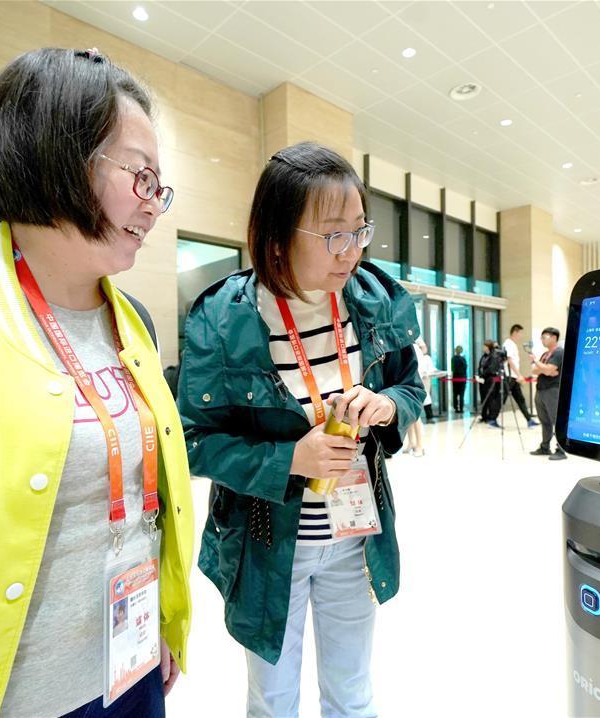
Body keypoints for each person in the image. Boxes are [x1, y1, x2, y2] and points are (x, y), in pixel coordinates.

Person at [0, 48, 193, 717]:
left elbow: (147, 504)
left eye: (160, 186)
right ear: (56, 155)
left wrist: (160, 621)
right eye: (140, 176)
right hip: (14, 693)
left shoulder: (134, 322)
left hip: (131, 665)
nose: (154, 206)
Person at [177, 142, 425, 718]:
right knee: (273, 700)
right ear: (277, 236)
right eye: (333, 235)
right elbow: (191, 440)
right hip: (267, 544)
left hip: (357, 535)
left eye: (360, 231)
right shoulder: (223, 318)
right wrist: (289, 459)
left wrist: (385, 407)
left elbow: (410, 389)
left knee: (352, 694)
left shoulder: (374, 301)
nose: (352, 251)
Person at [528, 327, 567, 460]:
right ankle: (545, 447)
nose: (542, 340)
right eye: (541, 338)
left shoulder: (559, 352)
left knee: (556, 421)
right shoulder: (545, 354)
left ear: (554, 338)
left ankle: (561, 449)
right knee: (544, 421)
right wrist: (545, 369)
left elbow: (549, 370)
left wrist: (538, 363)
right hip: (540, 390)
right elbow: (535, 370)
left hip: (553, 390)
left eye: (544, 337)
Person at [500, 324, 538, 427]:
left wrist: (518, 376)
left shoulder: (513, 344)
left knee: (520, 399)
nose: (521, 335)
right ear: (515, 332)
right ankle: (491, 418)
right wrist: (519, 375)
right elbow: (510, 360)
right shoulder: (508, 343)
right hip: (510, 376)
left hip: (514, 377)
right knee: (502, 399)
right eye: (520, 333)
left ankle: (529, 420)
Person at [451, 345, 467, 413]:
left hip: (455, 378)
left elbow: (452, 368)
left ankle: (456, 407)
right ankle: (461, 408)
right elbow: (465, 368)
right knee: (461, 394)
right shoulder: (463, 359)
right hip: (462, 378)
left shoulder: (453, 359)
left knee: (455, 393)